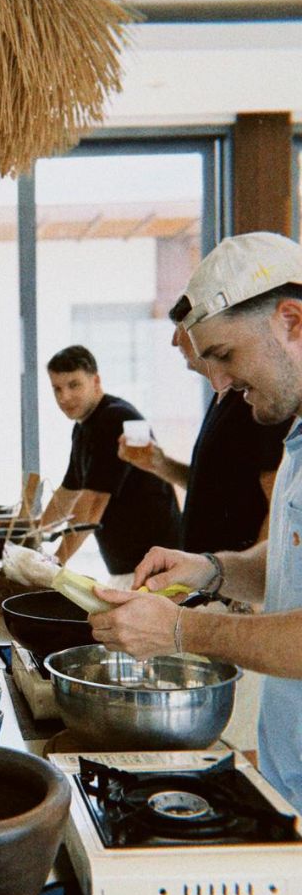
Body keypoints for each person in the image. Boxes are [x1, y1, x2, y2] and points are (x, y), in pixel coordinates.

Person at [90, 231, 302, 815]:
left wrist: (182, 633)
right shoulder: (298, 436)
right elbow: (287, 556)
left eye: (226, 356)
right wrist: (210, 570)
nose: (220, 386)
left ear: (291, 320)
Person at [117, 300, 290, 555]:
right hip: (214, 580)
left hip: (234, 586)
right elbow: (216, 490)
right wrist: (161, 464)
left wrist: (242, 593)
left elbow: (277, 503)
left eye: (181, 329)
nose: (174, 341)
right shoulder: (225, 396)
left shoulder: (257, 399)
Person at [40, 345, 181, 576]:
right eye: (57, 388)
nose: (64, 397)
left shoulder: (114, 418)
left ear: (95, 381)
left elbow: (92, 503)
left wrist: (52, 565)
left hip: (155, 564)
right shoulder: (83, 427)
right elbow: (67, 493)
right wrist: (30, 535)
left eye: (74, 385)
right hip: (130, 566)